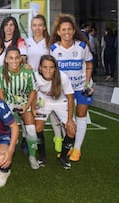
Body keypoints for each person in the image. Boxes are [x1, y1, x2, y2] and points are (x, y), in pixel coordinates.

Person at [50, 13, 93, 162]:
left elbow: (89, 64)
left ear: (74, 31)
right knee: (66, 120)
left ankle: (77, 149)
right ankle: (68, 146)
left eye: (69, 29)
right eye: (64, 29)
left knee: (81, 116)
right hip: (63, 91)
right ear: (58, 32)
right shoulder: (54, 49)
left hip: (81, 87)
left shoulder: (82, 46)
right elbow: (51, 70)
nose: (67, 32)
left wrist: (88, 83)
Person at [0, 46, 39, 170]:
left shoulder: (28, 72)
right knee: (9, 130)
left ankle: (32, 156)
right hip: (8, 102)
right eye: (11, 58)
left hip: (24, 101)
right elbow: (0, 93)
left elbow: (33, 91)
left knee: (31, 130)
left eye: (16, 58)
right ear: (6, 59)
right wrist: (6, 111)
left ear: (21, 59)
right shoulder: (0, 72)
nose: (14, 61)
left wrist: (27, 106)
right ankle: (6, 150)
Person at [26, 14, 64, 153]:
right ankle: (30, 142)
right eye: (34, 25)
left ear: (44, 27)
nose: (37, 28)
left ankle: (58, 138)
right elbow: (24, 60)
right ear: (31, 27)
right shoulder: (27, 41)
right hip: (33, 83)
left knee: (54, 113)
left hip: (48, 82)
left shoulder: (50, 43)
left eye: (40, 25)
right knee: (36, 112)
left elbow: (54, 64)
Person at [33, 55, 76, 169]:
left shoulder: (63, 77)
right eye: (45, 67)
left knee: (71, 130)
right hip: (43, 102)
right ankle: (42, 156)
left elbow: (70, 98)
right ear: (40, 67)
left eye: (51, 67)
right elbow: (33, 93)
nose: (48, 70)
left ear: (55, 68)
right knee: (37, 128)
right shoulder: (35, 76)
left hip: (61, 102)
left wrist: (70, 120)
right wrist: (33, 108)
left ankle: (63, 156)